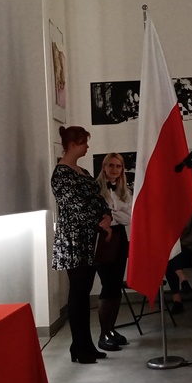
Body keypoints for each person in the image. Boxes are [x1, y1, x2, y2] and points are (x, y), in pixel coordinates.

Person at [51, 126, 112, 364]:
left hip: (89, 239)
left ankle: (84, 344)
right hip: (73, 240)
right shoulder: (61, 174)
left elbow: (98, 199)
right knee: (77, 293)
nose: (87, 146)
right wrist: (100, 223)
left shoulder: (83, 171)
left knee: (84, 292)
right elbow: (75, 206)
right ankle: (79, 346)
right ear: (73, 144)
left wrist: (106, 216)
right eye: (84, 142)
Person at [94, 152, 131, 351]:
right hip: (104, 238)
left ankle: (111, 329)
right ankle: (103, 334)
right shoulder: (95, 189)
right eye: (111, 165)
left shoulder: (125, 190)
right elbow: (99, 217)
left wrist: (111, 214)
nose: (114, 169)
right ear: (104, 166)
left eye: (118, 166)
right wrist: (116, 215)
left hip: (120, 238)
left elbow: (130, 217)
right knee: (108, 286)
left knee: (116, 286)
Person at [165, 212, 192, 314]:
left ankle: (177, 301)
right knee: (170, 256)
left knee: (170, 256)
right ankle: (183, 279)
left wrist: (177, 245)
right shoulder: (165, 211)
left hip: (187, 248)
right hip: (169, 249)